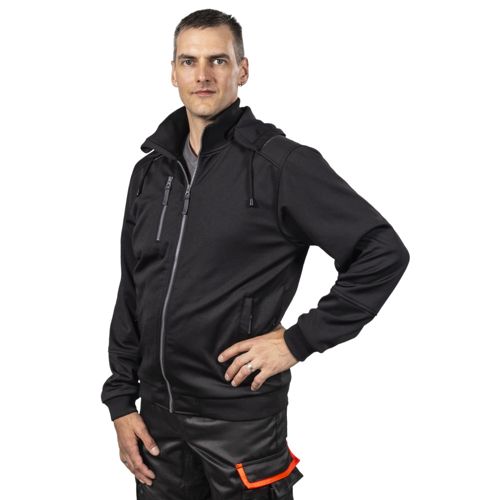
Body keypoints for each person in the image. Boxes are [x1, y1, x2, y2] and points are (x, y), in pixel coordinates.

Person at [101, 8, 410, 500]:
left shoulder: (280, 165)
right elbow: (133, 286)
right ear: (173, 72)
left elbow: (382, 251)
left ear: (242, 70)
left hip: (240, 427)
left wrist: (298, 341)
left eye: (218, 60)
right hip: (158, 426)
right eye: (189, 61)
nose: (203, 75)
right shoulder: (151, 173)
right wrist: (121, 400)